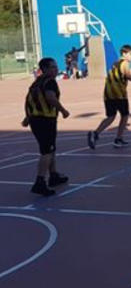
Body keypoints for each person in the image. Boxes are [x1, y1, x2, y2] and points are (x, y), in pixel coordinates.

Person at [22, 57, 70, 196]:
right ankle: (40, 182)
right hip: (45, 120)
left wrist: (27, 117)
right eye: (53, 67)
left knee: (51, 148)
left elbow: (29, 101)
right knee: (46, 151)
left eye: (56, 67)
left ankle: (53, 175)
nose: (56, 69)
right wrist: (62, 110)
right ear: (45, 69)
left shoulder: (37, 82)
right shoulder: (50, 82)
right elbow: (50, 98)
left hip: (37, 120)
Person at [87, 44, 131, 150]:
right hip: (119, 94)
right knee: (125, 115)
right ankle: (118, 139)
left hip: (108, 94)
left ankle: (96, 133)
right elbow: (127, 75)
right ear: (124, 54)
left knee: (111, 116)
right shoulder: (125, 63)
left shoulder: (115, 63)